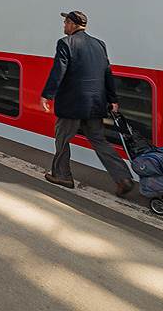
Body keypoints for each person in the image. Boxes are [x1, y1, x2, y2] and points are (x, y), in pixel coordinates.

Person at [40, 10, 133, 196]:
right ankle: (123, 177)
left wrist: (47, 94)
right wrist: (113, 99)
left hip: (72, 105)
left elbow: (59, 70)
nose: (64, 26)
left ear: (73, 25)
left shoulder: (65, 43)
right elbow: (107, 73)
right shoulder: (100, 44)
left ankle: (62, 175)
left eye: (66, 22)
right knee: (99, 141)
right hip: (95, 104)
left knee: (62, 139)